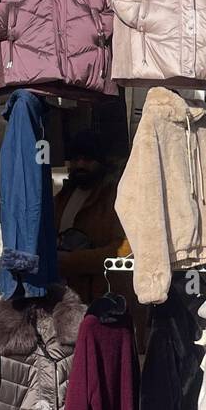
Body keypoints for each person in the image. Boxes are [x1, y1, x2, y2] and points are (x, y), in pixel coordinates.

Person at [55, 129, 127, 303]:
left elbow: (124, 249)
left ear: (101, 162)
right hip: (62, 295)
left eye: (87, 159)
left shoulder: (115, 198)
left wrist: (73, 260)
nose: (80, 165)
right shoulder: (62, 197)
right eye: (75, 159)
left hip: (99, 299)